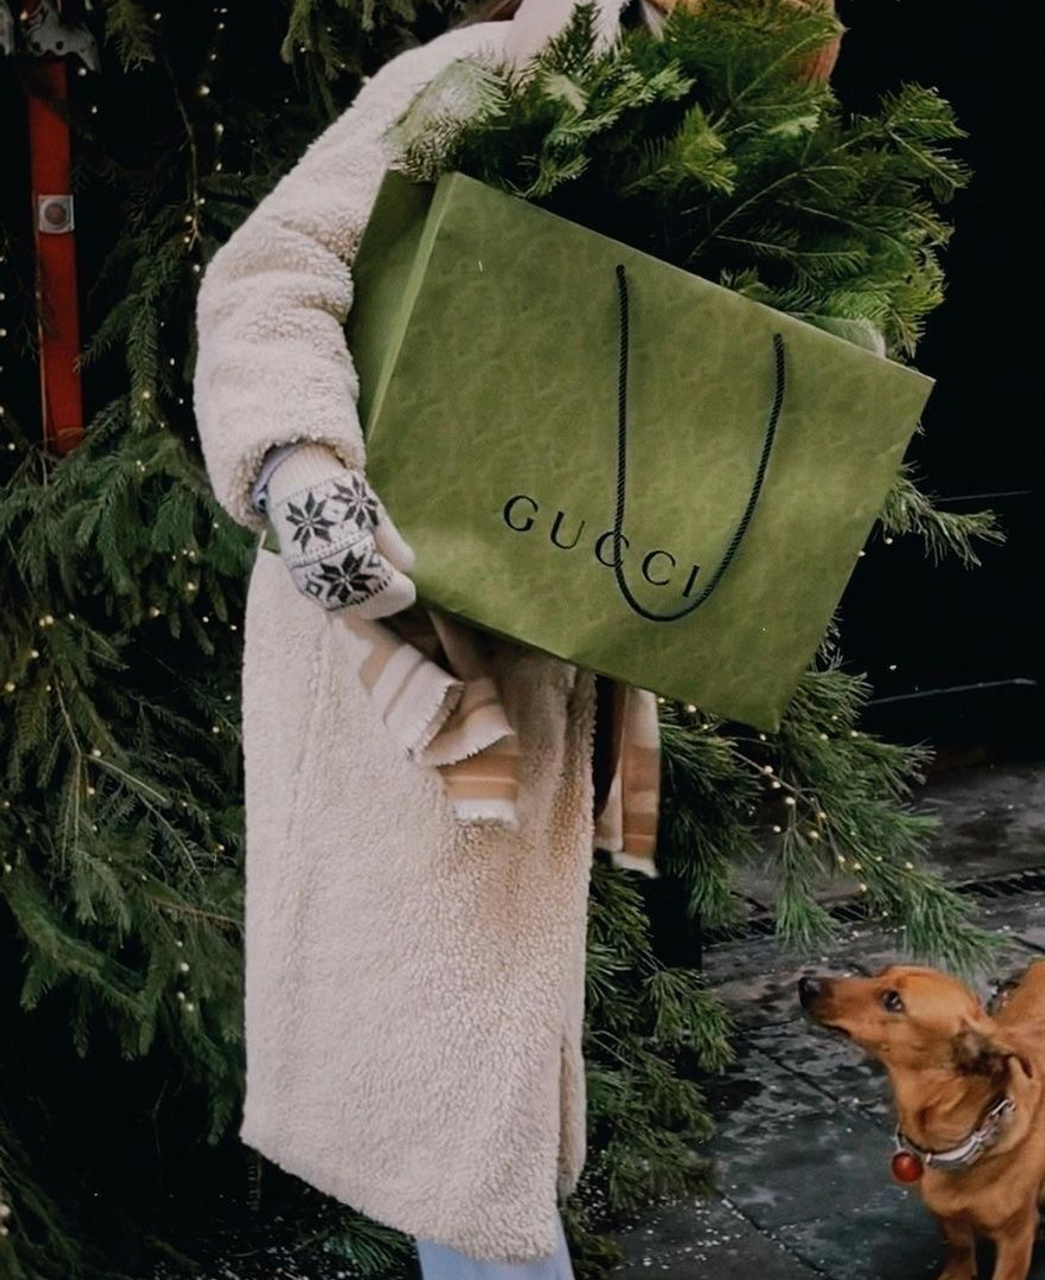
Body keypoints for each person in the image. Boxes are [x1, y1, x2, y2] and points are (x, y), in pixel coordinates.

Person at [193, 1, 838, 1276]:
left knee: (477, 1064)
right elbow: (276, 268)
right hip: (394, 626)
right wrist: (295, 460)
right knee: (458, 1077)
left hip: (553, 626)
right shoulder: (477, 83)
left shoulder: (756, 142)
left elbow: (761, 390)